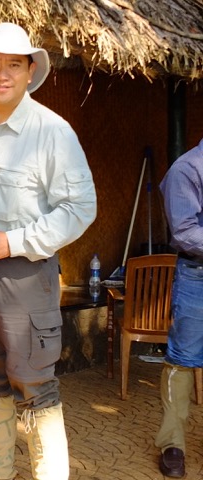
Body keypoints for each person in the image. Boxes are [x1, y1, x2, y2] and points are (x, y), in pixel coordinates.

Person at [0, 23, 97, 480]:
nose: (3, 74)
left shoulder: (53, 131)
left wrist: (11, 241)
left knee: (34, 380)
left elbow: (80, 208)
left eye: (14, 65)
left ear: (31, 71)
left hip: (26, 276)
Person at [155, 138, 203, 479]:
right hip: (197, 275)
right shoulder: (186, 169)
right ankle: (172, 443)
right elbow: (185, 232)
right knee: (183, 359)